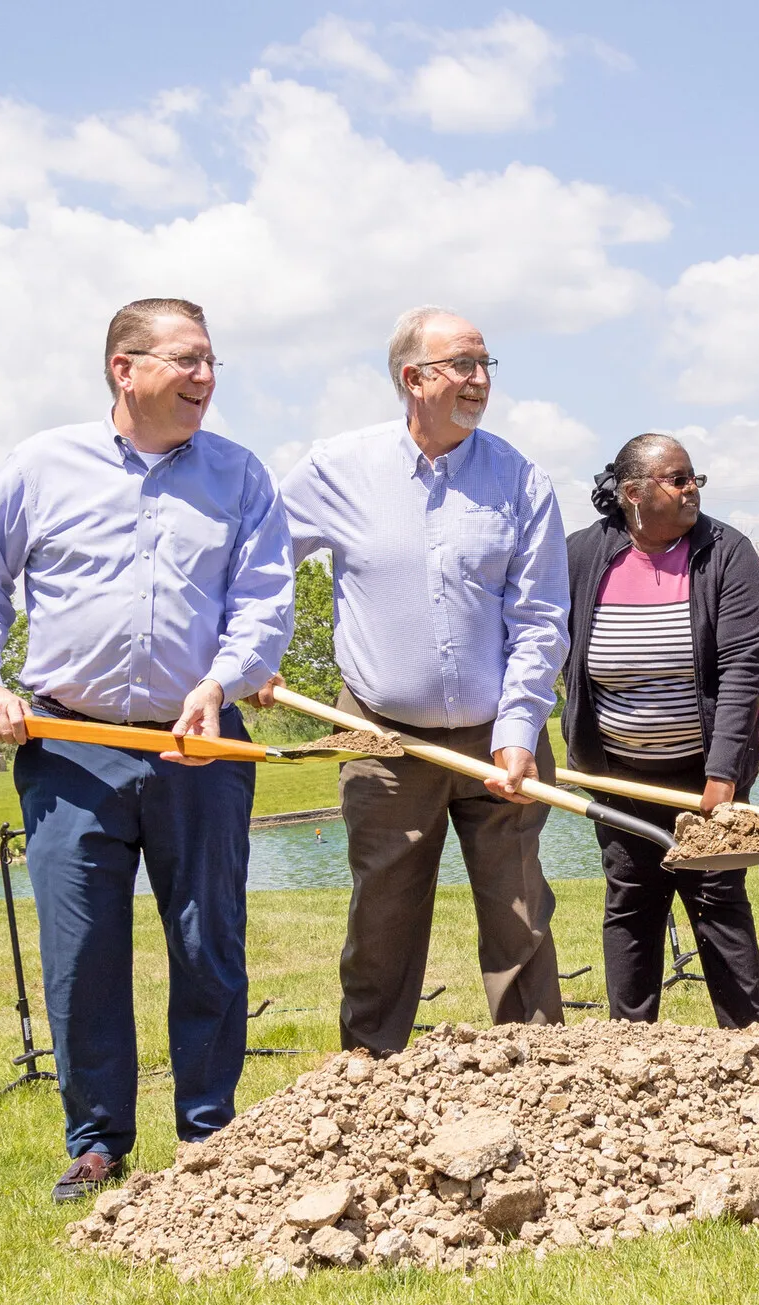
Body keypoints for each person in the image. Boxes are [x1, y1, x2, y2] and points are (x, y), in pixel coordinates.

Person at [0, 297, 294, 1201]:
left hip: (202, 744)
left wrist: (219, 683)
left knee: (208, 939)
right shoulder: (39, 466)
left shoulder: (240, 475)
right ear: (124, 368)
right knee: (82, 947)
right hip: (69, 746)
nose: (205, 378)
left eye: (211, 362)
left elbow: (263, 602)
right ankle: (97, 1139)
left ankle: (209, 1136)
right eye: (186, 361)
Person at [273, 306, 569, 1056]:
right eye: (462, 365)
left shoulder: (518, 479)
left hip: (503, 733)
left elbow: (540, 618)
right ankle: (368, 1077)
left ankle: (542, 1075)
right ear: (413, 378)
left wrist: (516, 731)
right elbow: (258, 559)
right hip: (382, 735)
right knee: (383, 918)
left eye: (485, 365)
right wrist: (255, 646)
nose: (479, 380)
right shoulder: (337, 469)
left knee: (520, 914)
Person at [561, 433, 759, 1028]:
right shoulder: (581, 556)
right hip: (618, 776)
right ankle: (633, 1046)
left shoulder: (726, 553)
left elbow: (740, 673)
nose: (691, 490)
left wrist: (722, 775)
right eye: (677, 479)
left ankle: (747, 1042)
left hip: (702, 776)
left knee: (716, 899)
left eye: (693, 478)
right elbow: (550, 644)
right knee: (631, 902)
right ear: (631, 493)